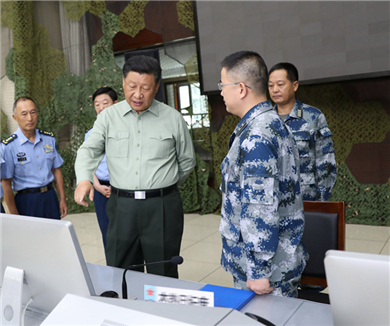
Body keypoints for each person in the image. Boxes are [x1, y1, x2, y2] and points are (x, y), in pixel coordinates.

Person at [74, 55, 196, 278]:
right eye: (132, 86)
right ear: (123, 83)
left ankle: (161, 313)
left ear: (157, 87)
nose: (138, 94)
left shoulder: (173, 118)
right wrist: (83, 179)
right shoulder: (108, 117)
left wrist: (162, 183)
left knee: (163, 272)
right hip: (122, 207)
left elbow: (187, 160)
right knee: (121, 270)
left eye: (146, 88)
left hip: (162, 207)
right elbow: (88, 150)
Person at [218, 51, 308, 298]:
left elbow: (260, 206)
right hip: (277, 261)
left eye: (223, 85)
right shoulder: (271, 123)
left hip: (267, 272)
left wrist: (258, 271)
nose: (221, 92)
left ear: (241, 89)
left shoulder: (256, 136)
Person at [268, 62, 337, 201]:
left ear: (295, 85)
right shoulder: (265, 120)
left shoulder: (313, 117)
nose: (275, 89)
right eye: (270, 85)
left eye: (280, 84)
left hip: (306, 201)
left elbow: (326, 165)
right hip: (273, 204)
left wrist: (321, 204)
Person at [1, 97, 68, 219]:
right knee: (30, 237)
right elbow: (6, 183)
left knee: (53, 235)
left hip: (50, 197)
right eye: (24, 114)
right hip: (27, 201)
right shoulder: (9, 146)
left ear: (37, 113)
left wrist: (62, 199)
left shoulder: (48, 139)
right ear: (15, 117)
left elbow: (56, 170)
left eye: (33, 113)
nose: (30, 118)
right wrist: (14, 215)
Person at [85, 87, 118, 252]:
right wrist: (96, 186)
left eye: (105, 103)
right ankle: (113, 272)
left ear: (116, 104)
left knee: (129, 234)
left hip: (123, 189)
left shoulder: (126, 131)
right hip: (101, 190)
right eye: (97, 104)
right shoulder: (91, 134)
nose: (100, 107)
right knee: (107, 233)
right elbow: (88, 163)